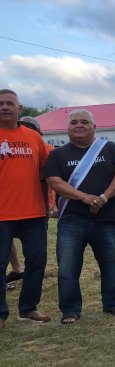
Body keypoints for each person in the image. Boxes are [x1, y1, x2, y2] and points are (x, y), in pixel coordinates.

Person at [45, 109, 115, 324]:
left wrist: (103, 197)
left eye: (84, 122)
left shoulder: (109, 148)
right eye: (74, 122)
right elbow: (55, 182)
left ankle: (113, 303)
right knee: (67, 266)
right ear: (68, 128)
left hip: (105, 218)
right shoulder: (57, 154)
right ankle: (70, 310)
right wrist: (84, 197)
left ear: (94, 126)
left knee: (112, 263)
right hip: (71, 219)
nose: (79, 125)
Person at [0, 89, 52, 328]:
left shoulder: (33, 138)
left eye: (10, 103)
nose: (4, 107)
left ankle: (28, 308)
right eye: (0, 104)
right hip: (2, 215)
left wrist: (48, 207)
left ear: (19, 109)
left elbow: (49, 171)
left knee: (37, 262)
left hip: (33, 213)